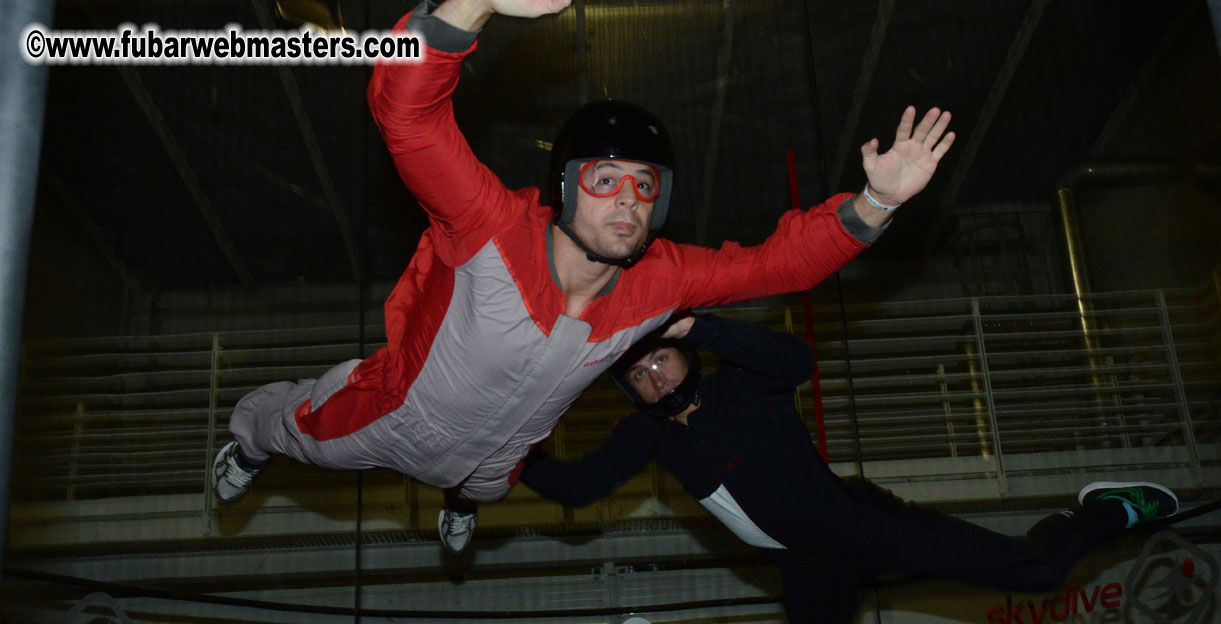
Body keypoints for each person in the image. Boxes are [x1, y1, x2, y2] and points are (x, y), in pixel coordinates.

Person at [211, 0, 957, 554]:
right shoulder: (487, 225)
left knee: (481, 486)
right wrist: (470, 6)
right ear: (565, 184)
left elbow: (779, 264)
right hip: (395, 417)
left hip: (502, 455)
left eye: (643, 184)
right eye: (605, 178)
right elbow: (406, 116)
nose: (627, 199)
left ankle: (463, 505)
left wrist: (876, 202)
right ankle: (244, 443)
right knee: (292, 430)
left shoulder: (660, 281)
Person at [520, 314, 1179, 624]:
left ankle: (1107, 510)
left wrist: (696, 325)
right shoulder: (651, 435)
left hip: (863, 526)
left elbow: (796, 359)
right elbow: (580, 486)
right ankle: (856, 575)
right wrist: (513, 460)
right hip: (806, 565)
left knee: (1035, 571)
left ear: (682, 353)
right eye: (639, 376)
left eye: (660, 360)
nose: (657, 380)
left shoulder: (742, 386)